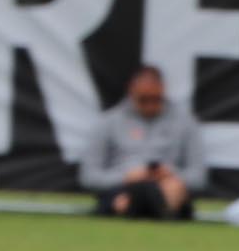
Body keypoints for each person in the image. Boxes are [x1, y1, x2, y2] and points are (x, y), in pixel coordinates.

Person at [79, 65, 207, 219]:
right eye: (143, 100)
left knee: (172, 189)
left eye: (156, 99)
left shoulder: (185, 123)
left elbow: (199, 177)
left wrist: (171, 174)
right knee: (123, 199)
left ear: (163, 91)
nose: (150, 106)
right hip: (122, 189)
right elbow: (89, 177)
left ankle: (154, 205)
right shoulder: (109, 122)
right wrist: (127, 177)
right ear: (131, 91)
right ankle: (154, 207)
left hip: (168, 187)